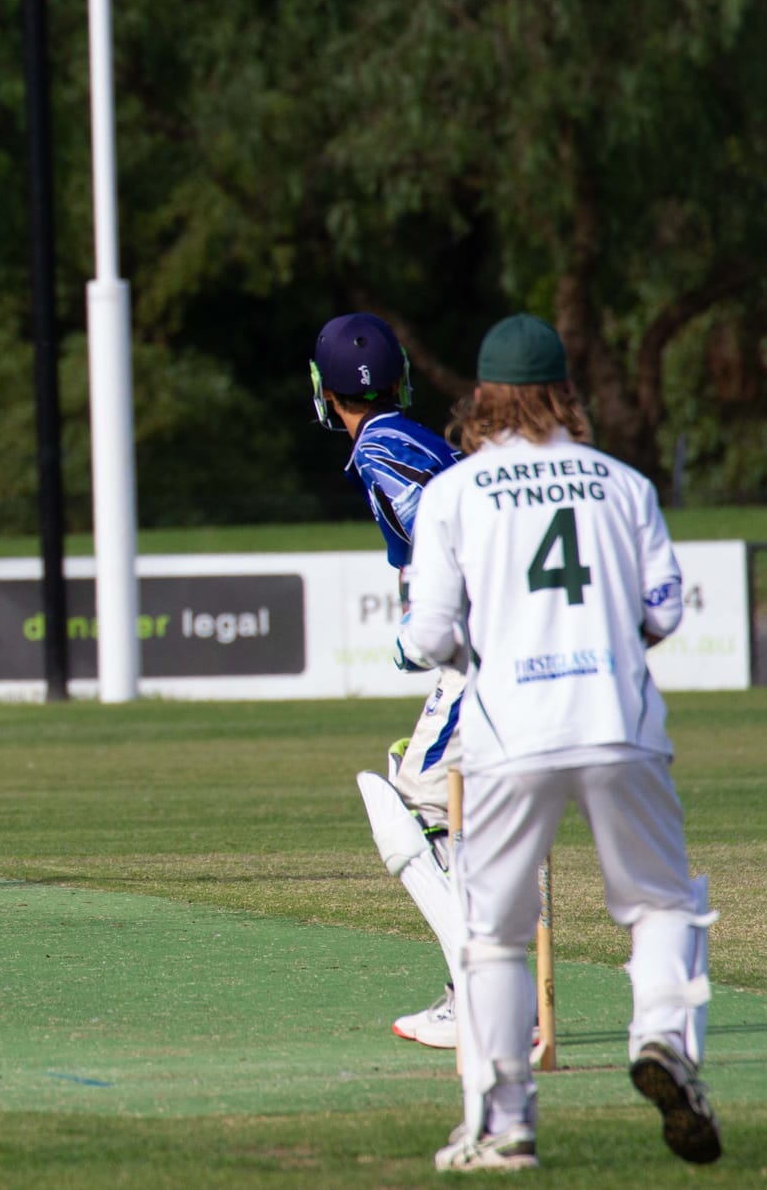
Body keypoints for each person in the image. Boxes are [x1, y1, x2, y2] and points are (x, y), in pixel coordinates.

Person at [405, 314, 719, 1171]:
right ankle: (661, 1035)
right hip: (622, 719)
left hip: (510, 731)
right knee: (661, 901)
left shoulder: (455, 491)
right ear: (564, 394)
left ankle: (505, 1123)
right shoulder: (624, 484)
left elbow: (430, 634)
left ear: (483, 397)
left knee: (494, 931)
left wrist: (482, 645)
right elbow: (664, 611)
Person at [311, 315, 469, 1049]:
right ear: (402, 379)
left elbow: (437, 528)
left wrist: (418, 635)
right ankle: (491, 985)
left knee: (410, 803)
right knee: (457, 804)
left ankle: (479, 987)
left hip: (479, 652)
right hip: (487, 648)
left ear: (322, 392)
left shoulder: (380, 448)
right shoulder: (416, 438)